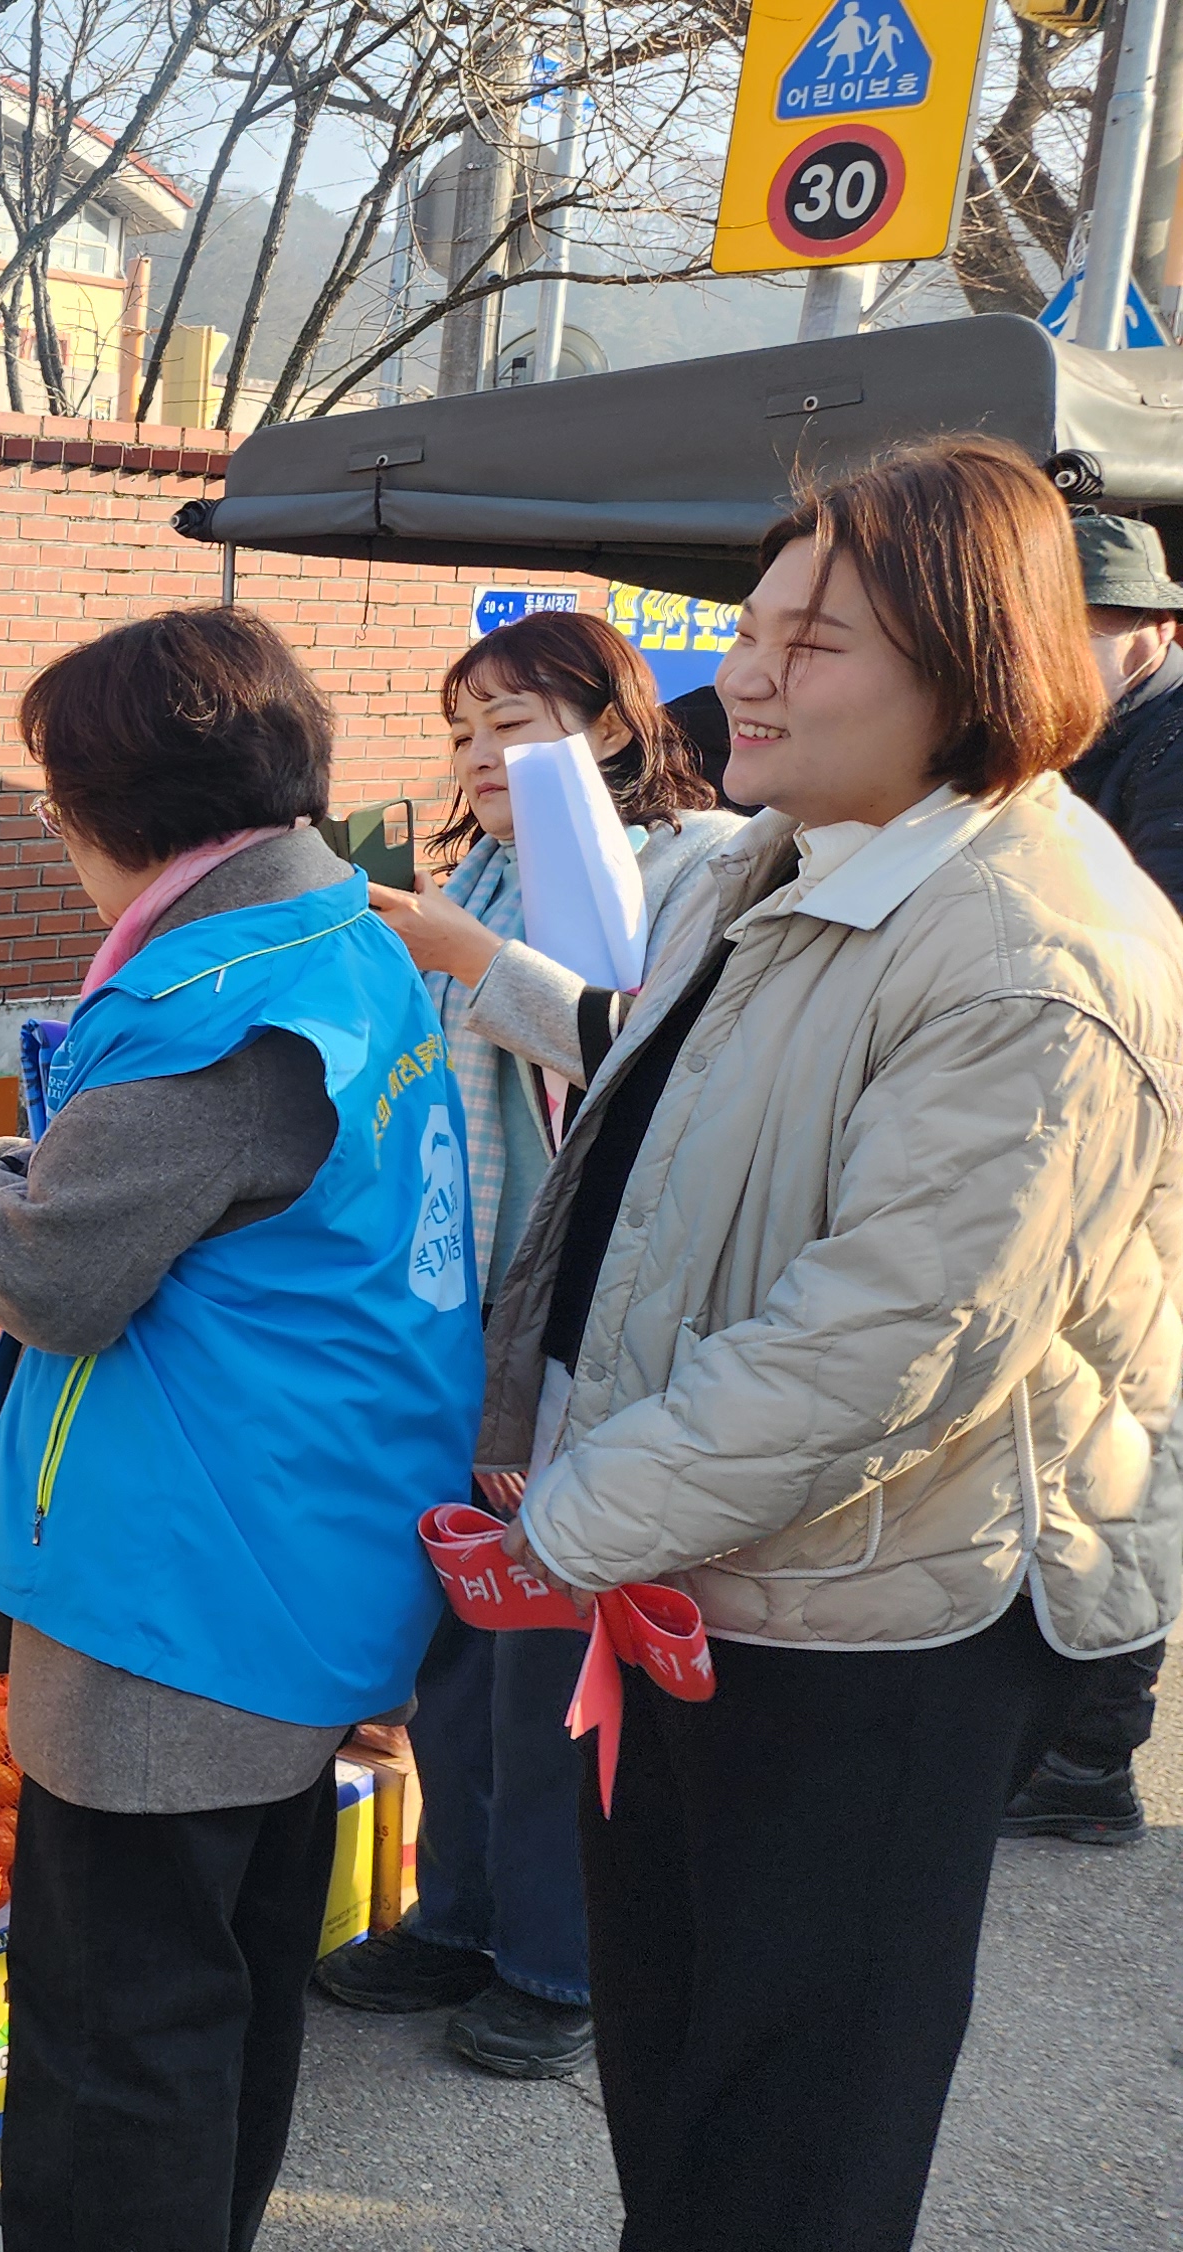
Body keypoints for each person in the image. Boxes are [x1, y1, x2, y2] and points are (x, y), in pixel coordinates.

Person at [485, 437, 1183, 2252]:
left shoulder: (1036, 949)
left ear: (971, 666)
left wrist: (575, 1519)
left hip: (879, 1612)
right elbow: (661, 1150)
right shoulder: (780, 860)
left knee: (793, 2124)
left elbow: (889, 1342)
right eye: (753, 626)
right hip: (696, 1565)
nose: (749, 674)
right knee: (679, 2063)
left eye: (817, 642)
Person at [0, 607, 481, 2252]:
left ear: (121, 810)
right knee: (228, 1981)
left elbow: (54, 1278)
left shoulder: (215, 1009)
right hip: (305, 1542)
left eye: (56, 805)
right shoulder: (340, 935)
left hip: (181, 1593)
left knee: (125, 2023)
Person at [314, 610, 736, 2077]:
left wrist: (477, 960)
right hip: (457, 1302)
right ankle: (456, 1916)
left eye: (514, 725)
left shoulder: (702, 866)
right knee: (458, 1632)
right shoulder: (474, 878)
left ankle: (561, 1964)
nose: (480, 759)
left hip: (587, 1316)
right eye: (463, 732)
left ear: (613, 726)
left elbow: (654, 1064)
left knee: (556, 1645)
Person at [1011, 511, 1183, 1847]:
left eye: (1092, 631)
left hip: (1145, 1144)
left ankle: (1090, 1754)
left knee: (1124, 1442)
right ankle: (1072, 1738)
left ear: (1153, 635)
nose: (1061, 652)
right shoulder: (1095, 739)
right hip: (1102, 1130)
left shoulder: (1166, 747)